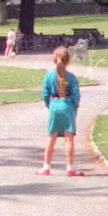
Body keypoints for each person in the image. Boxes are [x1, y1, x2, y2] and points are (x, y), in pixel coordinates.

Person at [38, 45, 84, 176]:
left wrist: (50, 105)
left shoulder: (49, 76)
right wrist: (74, 108)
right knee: (69, 139)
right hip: (67, 105)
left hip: (54, 105)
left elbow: (45, 94)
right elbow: (76, 96)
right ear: (68, 61)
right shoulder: (72, 77)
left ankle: (46, 167)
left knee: (51, 138)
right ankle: (70, 168)